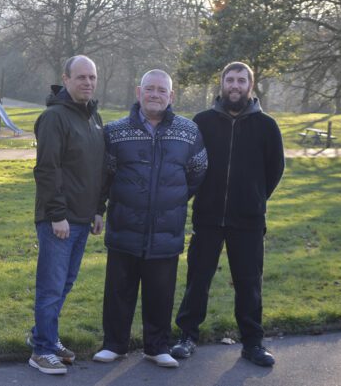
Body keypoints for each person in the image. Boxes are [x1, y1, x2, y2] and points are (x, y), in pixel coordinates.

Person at [171, 61, 285, 367]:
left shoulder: (266, 126)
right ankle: (187, 337)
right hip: (207, 217)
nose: (235, 86)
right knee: (198, 279)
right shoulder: (202, 122)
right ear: (222, 83)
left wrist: (255, 198)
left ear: (250, 85)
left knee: (249, 283)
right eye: (230, 80)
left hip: (248, 220)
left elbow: (275, 169)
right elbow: (190, 165)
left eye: (241, 81)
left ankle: (253, 343)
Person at [92, 69, 207, 368]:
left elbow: (197, 172)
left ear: (171, 96)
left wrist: (172, 200)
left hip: (165, 230)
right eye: (149, 88)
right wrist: (99, 209)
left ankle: (156, 347)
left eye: (161, 90)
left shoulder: (188, 131)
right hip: (125, 226)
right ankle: (114, 344)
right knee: (119, 290)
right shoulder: (115, 131)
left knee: (161, 292)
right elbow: (105, 175)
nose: (155, 94)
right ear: (138, 91)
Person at [28, 55, 105, 375]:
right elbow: (47, 170)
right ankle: (41, 351)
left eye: (92, 77)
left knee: (65, 283)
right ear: (66, 79)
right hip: (58, 219)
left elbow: (97, 168)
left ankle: (45, 337)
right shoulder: (54, 117)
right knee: (51, 285)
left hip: (83, 217)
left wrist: (99, 210)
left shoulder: (92, 117)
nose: (87, 82)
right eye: (81, 77)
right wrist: (57, 215)